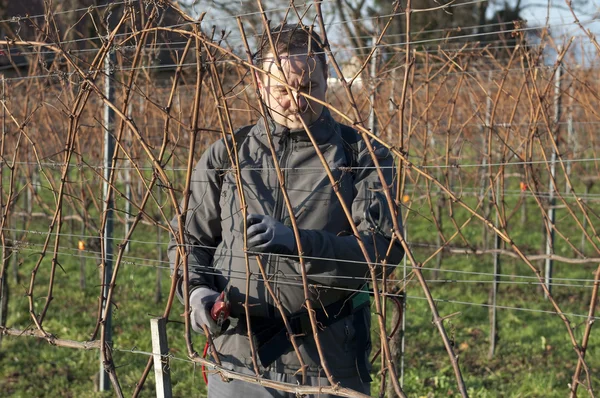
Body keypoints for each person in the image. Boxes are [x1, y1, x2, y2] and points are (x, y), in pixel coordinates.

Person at [168, 23, 404, 397]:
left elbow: (383, 251)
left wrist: (298, 242)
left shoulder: (362, 156)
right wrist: (196, 292)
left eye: (308, 87)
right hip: (237, 360)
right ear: (261, 86)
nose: (296, 100)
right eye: (281, 89)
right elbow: (190, 241)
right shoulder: (227, 154)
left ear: (327, 78)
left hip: (328, 363)